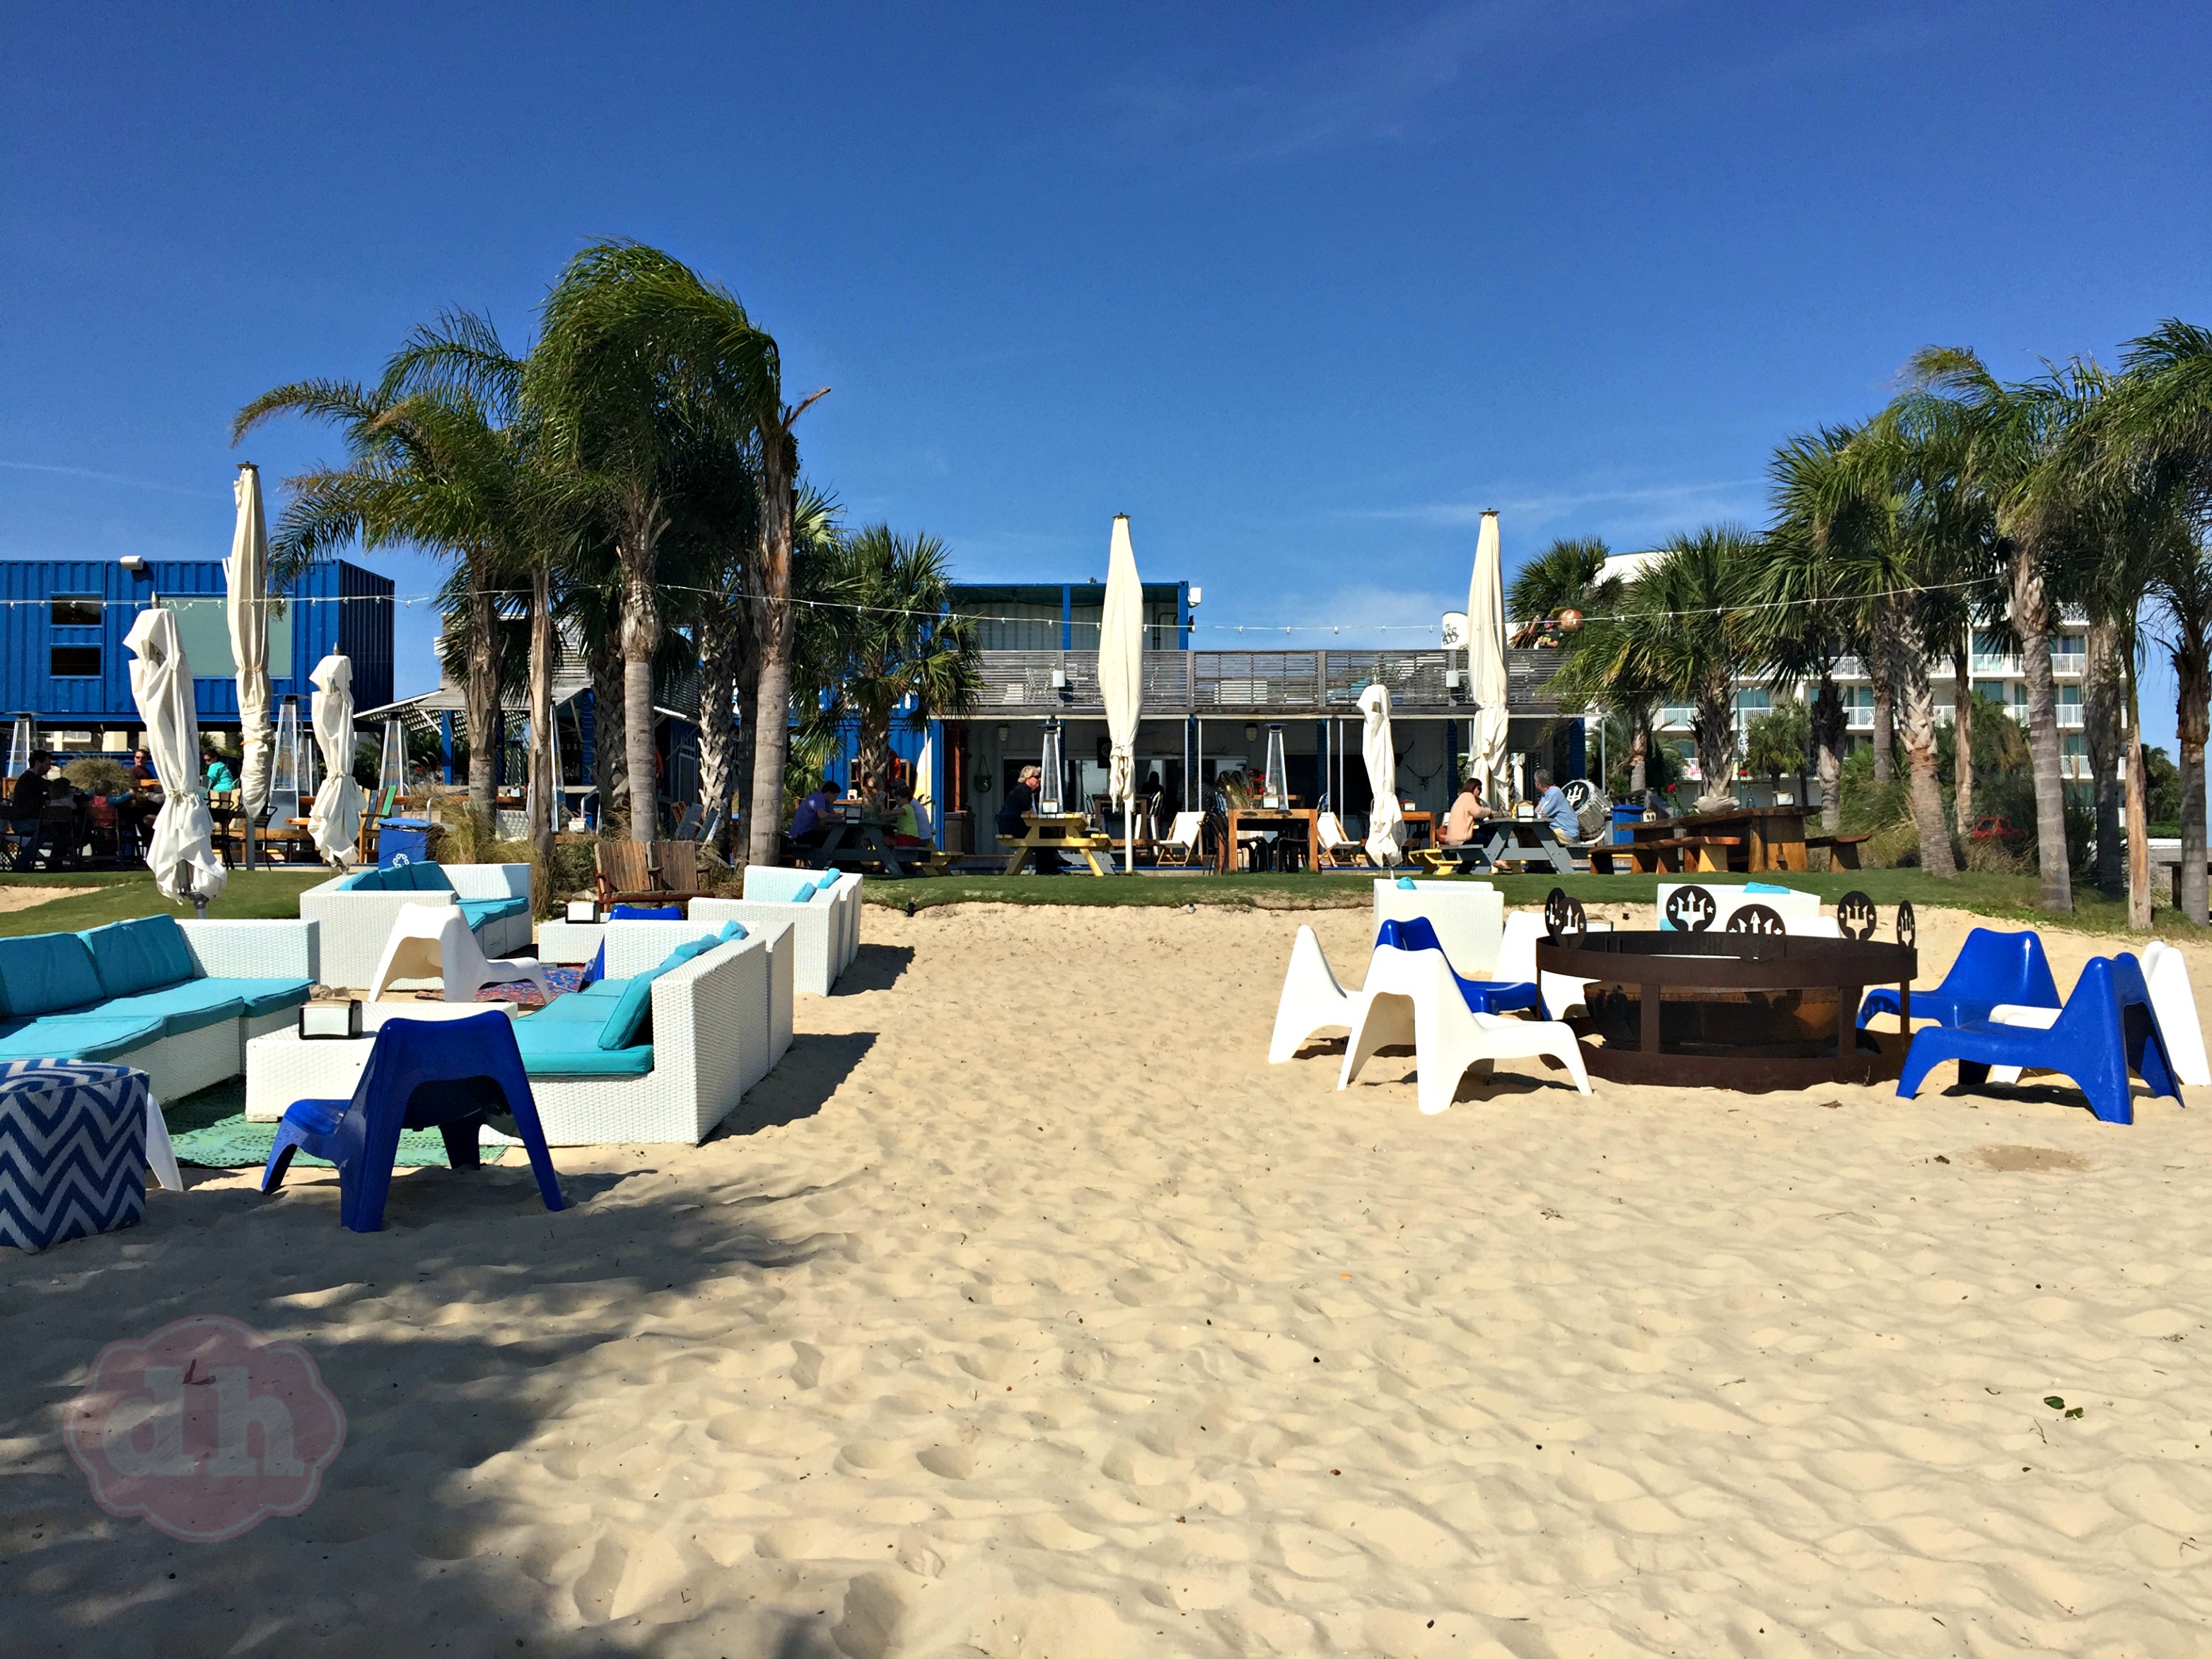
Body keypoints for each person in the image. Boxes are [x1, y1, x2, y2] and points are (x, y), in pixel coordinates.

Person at [999, 763, 1063, 873]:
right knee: (1044, 834)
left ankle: (1048, 867)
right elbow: (1028, 813)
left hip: (1015, 825)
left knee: (1043, 835)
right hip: (1012, 827)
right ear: (1028, 778)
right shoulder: (1023, 790)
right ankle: (1050, 866)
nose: (1040, 779)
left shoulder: (1026, 791)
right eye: (1037, 777)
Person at [9, 750, 54, 868]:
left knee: (49, 830)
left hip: (22, 820)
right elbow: (51, 787)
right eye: (47, 764)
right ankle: (23, 861)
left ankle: (52, 862)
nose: (49, 767)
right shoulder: (31, 779)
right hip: (24, 821)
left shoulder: (28, 778)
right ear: (38, 763)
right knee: (47, 831)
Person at [1443, 770, 1496, 847]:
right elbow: (1478, 812)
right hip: (1462, 840)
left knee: (1485, 834)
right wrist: (1489, 811)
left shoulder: (1461, 798)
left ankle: (1486, 858)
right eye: (1480, 789)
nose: (1481, 792)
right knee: (1493, 835)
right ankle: (1500, 857)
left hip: (1454, 839)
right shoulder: (1468, 796)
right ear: (1473, 788)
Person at [788, 774, 837, 850]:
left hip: (808, 834)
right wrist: (837, 816)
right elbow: (822, 815)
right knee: (836, 839)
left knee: (836, 838)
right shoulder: (818, 798)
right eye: (835, 796)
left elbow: (824, 822)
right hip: (801, 836)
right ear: (829, 793)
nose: (835, 799)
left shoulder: (826, 803)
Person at [1532, 769, 1580, 840]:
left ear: (1538, 784)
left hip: (1566, 833)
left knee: (1532, 836)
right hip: (1558, 830)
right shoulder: (1545, 795)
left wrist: (1536, 813)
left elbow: (1542, 814)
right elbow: (1537, 811)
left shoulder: (1554, 792)